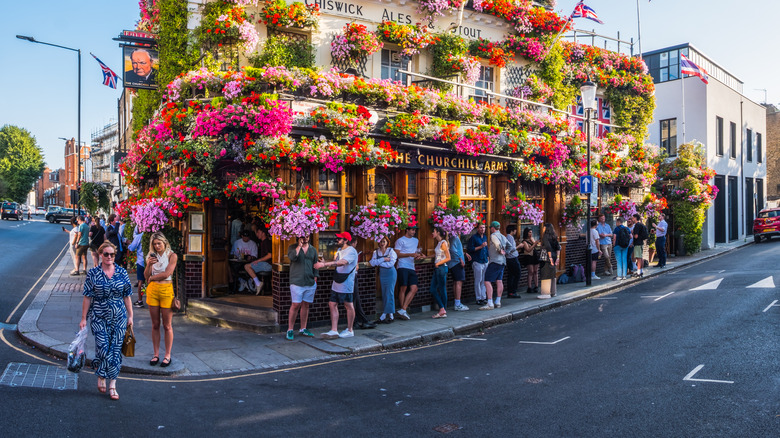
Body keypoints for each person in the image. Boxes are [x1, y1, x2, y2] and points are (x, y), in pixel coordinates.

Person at [79, 242, 132, 401]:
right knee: (102, 348)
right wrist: (83, 318)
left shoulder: (122, 272)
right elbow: (87, 296)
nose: (109, 257)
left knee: (115, 351)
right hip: (99, 316)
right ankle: (102, 374)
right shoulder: (93, 273)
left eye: (112, 255)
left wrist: (131, 316)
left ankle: (112, 384)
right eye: (106, 254)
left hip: (119, 317)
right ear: (100, 254)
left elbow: (127, 296)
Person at [143, 232, 178, 368]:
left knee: (167, 325)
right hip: (153, 291)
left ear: (165, 243)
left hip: (166, 290)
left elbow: (167, 273)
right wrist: (148, 265)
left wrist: (152, 278)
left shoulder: (172, 255)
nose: (157, 246)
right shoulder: (151, 257)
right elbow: (146, 275)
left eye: (159, 243)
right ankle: (156, 354)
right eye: (154, 244)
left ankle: (167, 355)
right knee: (155, 324)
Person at [315, 232, 358, 339]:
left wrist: (324, 264)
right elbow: (336, 262)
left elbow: (342, 262)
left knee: (348, 305)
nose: (337, 240)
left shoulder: (352, 251)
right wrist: (326, 262)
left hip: (346, 282)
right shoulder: (339, 250)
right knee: (332, 303)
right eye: (337, 238)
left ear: (346, 240)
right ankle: (334, 330)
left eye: (339, 239)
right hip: (337, 281)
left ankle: (350, 330)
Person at [285, 235, 319, 340]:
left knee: (306, 305)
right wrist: (299, 246)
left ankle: (303, 328)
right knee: (295, 305)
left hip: (310, 282)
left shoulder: (313, 250)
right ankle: (290, 329)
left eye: (307, 236)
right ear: (298, 237)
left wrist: (315, 277)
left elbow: (315, 264)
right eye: (303, 236)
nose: (305, 238)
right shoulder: (292, 247)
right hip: (296, 281)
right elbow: (292, 257)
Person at [394, 225, 424, 320]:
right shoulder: (400, 240)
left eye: (414, 230)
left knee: (414, 288)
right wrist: (410, 254)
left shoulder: (416, 240)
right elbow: (397, 254)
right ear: (407, 230)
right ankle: (402, 311)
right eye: (412, 230)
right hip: (402, 266)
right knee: (403, 288)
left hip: (412, 266)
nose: (414, 232)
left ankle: (403, 309)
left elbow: (417, 251)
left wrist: (419, 255)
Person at [369, 236, 397, 323]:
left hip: (391, 273)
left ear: (387, 242)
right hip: (382, 274)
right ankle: (390, 314)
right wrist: (384, 259)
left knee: (390, 292)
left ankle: (386, 313)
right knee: (384, 293)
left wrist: (379, 263)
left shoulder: (391, 251)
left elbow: (391, 264)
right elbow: (372, 263)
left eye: (384, 241)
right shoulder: (376, 252)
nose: (382, 243)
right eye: (381, 241)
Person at [481, 221, 507, 310]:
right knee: (499, 280)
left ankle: (490, 302)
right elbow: (511, 246)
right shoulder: (503, 236)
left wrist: (500, 250)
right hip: (502, 261)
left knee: (487, 281)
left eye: (490, 228)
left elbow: (497, 244)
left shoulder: (493, 236)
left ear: (492, 228)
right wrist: (506, 252)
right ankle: (498, 301)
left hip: (495, 261)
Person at [430, 227, 451, 318]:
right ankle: (443, 309)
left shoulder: (443, 243)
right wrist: (424, 257)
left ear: (438, 232)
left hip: (441, 268)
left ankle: (443, 309)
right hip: (438, 268)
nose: (432, 233)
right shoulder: (439, 243)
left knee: (440, 289)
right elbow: (437, 254)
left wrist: (438, 263)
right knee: (435, 289)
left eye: (433, 231)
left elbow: (448, 257)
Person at [245, 228, 272, 294]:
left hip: (268, 265)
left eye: (258, 232)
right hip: (265, 264)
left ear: (263, 233)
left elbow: (270, 255)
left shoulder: (266, 242)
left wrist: (258, 260)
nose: (257, 234)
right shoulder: (263, 242)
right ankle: (254, 283)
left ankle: (258, 283)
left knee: (247, 266)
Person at [467, 223, 489, 306]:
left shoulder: (485, 237)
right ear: (477, 229)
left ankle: (483, 297)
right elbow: (470, 249)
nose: (482, 229)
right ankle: (478, 298)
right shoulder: (473, 238)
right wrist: (480, 246)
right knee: (478, 280)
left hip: (485, 260)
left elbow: (486, 248)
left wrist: (488, 257)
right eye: (481, 228)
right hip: (477, 261)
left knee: (484, 281)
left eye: (484, 227)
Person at [537, 223, 561, 299]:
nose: (543, 228)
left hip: (546, 258)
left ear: (546, 228)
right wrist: (557, 257)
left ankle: (546, 293)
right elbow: (558, 247)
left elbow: (548, 248)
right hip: (554, 256)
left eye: (544, 227)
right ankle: (553, 292)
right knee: (552, 274)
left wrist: (550, 258)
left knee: (545, 274)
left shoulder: (545, 236)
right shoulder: (554, 236)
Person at [447, 230, 469, 311]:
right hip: (456, 262)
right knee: (458, 282)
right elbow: (453, 249)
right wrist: (460, 259)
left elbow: (457, 248)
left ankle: (457, 302)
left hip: (453, 263)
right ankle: (457, 304)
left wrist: (464, 254)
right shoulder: (454, 236)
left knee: (456, 282)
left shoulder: (451, 236)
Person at [518, 228, 540, 294]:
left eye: (531, 232)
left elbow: (536, 246)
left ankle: (536, 286)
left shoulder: (532, 239)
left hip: (535, 256)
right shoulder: (524, 241)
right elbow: (528, 249)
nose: (531, 234)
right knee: (531, 272)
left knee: (536, 271)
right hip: (529, 257)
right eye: (529, 232)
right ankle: (529, 287)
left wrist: (534, 242)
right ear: (526, 233)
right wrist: (534, 244)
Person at [128, 228, 146, 307]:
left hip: (141, 261)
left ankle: (140, 300)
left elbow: (132, 248)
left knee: (141, 281)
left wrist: (129, 244)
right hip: (152, 261)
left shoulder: (139, 237)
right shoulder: (154, 235)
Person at [504, 224, 522, 298]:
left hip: (510, 259)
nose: (516, 231)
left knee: (511, 275)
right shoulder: (510, 237)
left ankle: (510, 292)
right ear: (512, 230)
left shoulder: (508, 237)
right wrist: (519, 246)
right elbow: (510, 249)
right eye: (515, 230)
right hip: (512, 258)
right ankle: (512, 291)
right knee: (517, 274)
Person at [631, 213, 648, 277]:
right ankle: (640, 271)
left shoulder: (637, 226)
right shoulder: (641, 225)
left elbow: (636, 236)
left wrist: (633, 233)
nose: (632, 219)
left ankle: (638, 272)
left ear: (635, 218)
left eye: (633, 218)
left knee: (638, 258)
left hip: (637, 243)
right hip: (641, 243)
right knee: (640, 257)